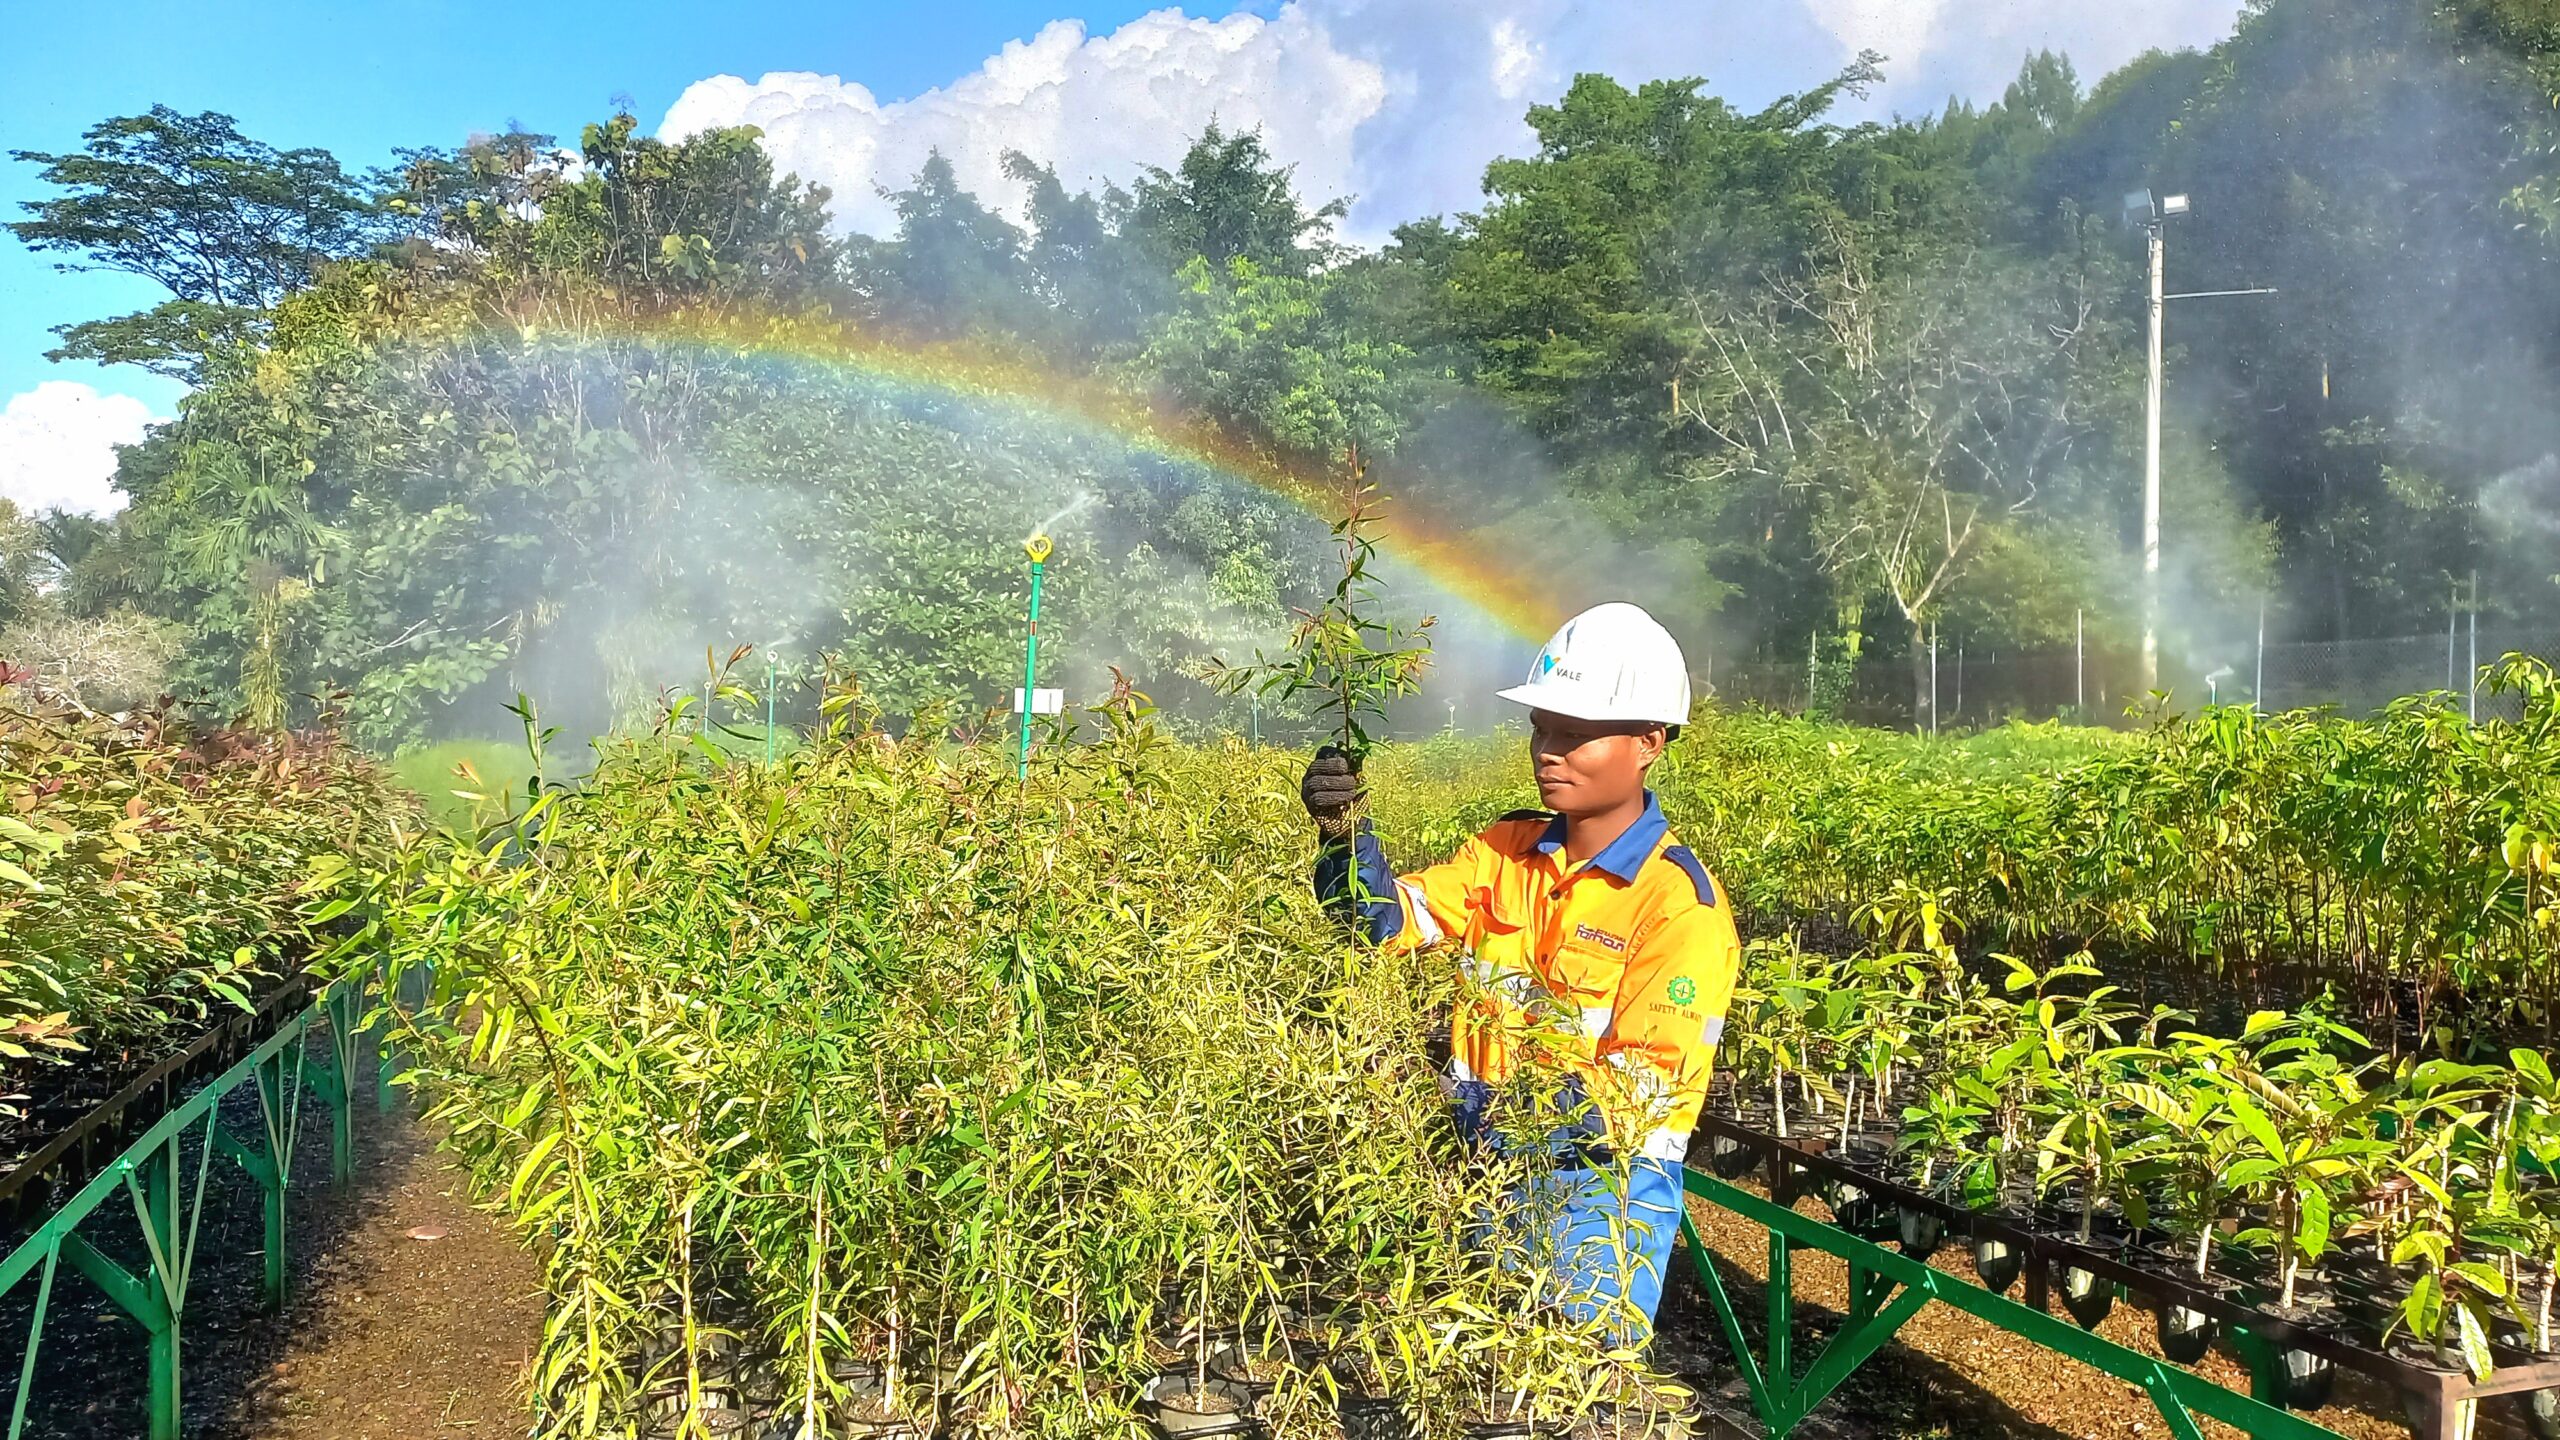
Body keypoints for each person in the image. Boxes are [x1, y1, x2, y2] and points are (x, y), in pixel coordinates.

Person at [1301, 602, 1742, 1341]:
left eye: (1574, 734)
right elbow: (1388, 923)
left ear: (1647, 743)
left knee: (1563, 1400)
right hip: (1484, 1174)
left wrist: (1472, 1116)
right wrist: (1344, 840)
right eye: (1542, 727)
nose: (1548, 750)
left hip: (1598, 1203)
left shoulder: (1679, 907)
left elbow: (1636, 1094)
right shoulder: (1507, 850)